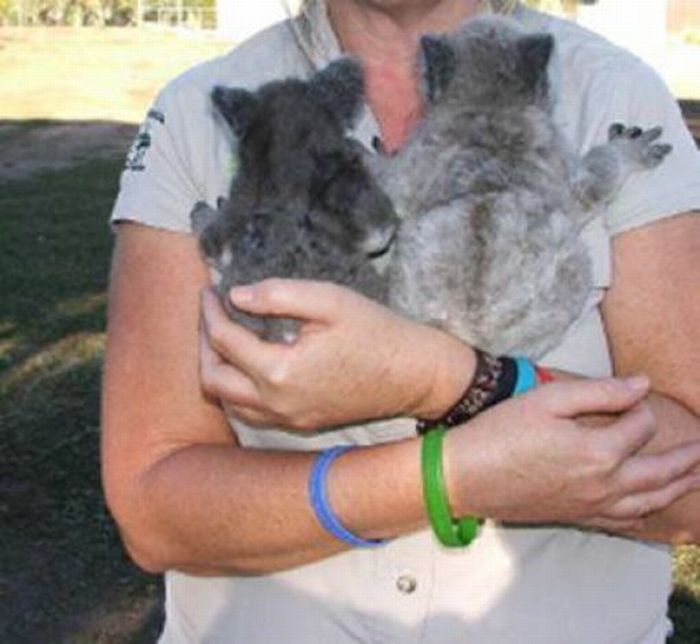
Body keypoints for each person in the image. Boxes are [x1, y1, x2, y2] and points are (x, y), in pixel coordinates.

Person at [102, 0, 700, 641]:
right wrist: (449, 476)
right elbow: (154, 510)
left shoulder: (613, 94)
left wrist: (443, 382)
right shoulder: (204, 110)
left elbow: (692, 490)